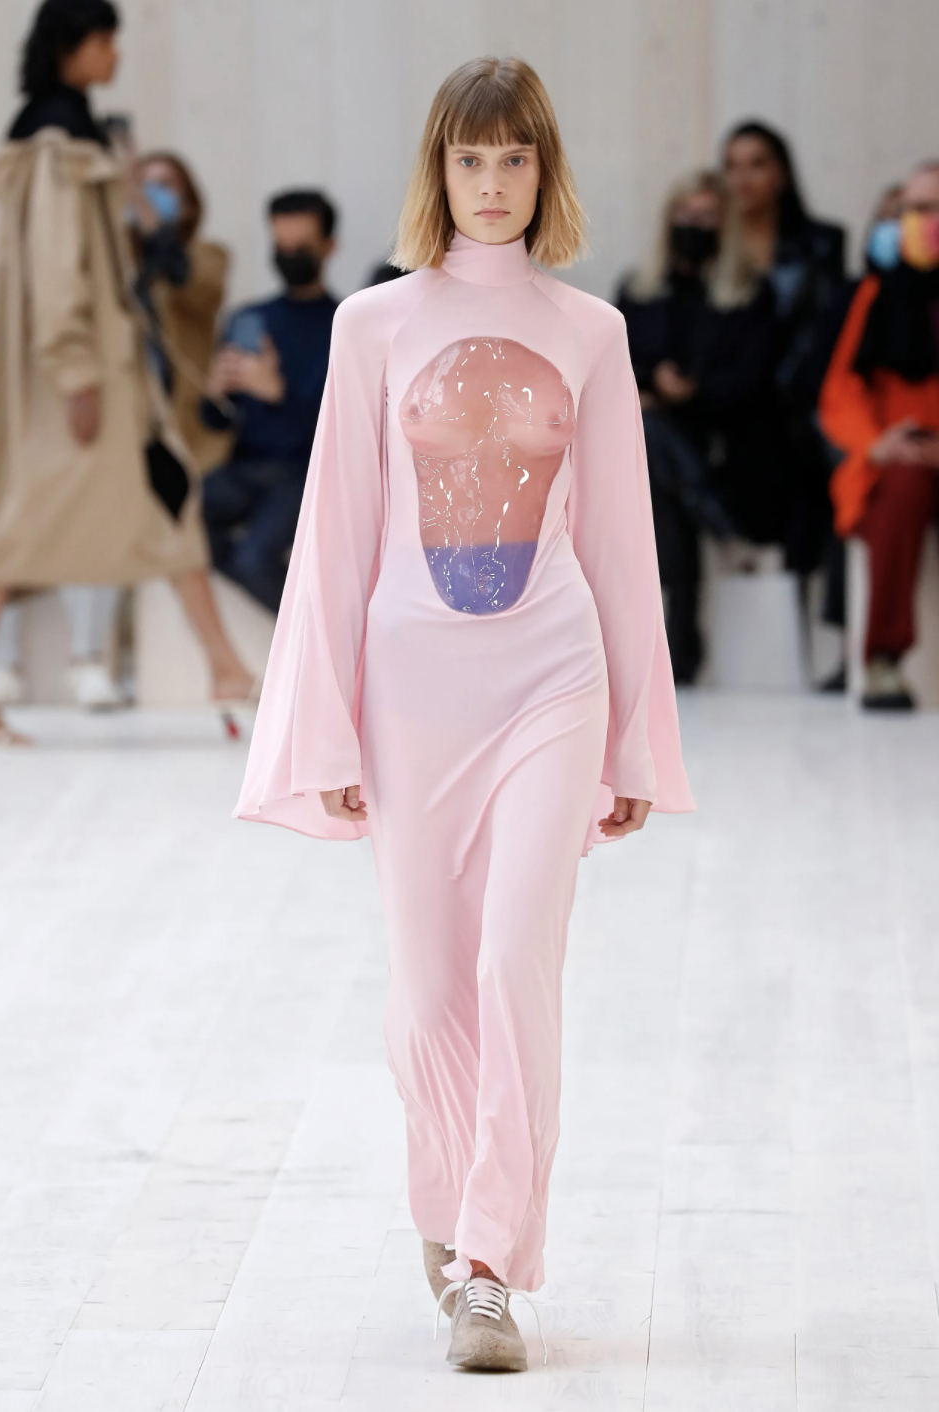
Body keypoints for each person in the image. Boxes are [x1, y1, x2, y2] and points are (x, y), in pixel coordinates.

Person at [233, 57, 693, 1371]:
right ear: (438, 171)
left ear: (546, 171)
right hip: (409, 693)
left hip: (553, 677)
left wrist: (633, 738)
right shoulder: (372, 325)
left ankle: (490, 1268)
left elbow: (620, 547)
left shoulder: (590, 331)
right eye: (469, 158)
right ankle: (445, 1210)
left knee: (512, 967)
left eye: (515, 158)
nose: (492, 183)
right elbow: (336, 536)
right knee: (430, 984)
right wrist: (324, 726)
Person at [0, 0, 254, 742]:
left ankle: (226, 667)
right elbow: (56, 268)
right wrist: (75, 370)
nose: (115, 55)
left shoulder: (66, 133)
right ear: (71, 47)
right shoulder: (57, 143)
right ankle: (226, 668)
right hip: (79, 381)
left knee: (167, 496)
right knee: (16, 534)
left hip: (105, 377)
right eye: (105, 41)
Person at [616, 170, 774, 682]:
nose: (693, 226)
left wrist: (690, 393)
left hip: (719, 437)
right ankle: (706, 513)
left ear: (725, 225)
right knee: (652, 446)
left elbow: (751, 379)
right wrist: (649, 383)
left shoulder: (750, 294)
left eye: (707, 217)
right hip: (648, 437)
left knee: (656, 460)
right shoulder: (637, 290)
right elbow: (612, 366)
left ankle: (677, 644)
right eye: (685, 215)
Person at [819, 161, 939, 710]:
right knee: (901, 489)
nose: (917, 221)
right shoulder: (876, 294)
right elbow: (841, 391)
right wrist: (878, 442)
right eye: (909, 210)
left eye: (930, 209)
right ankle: (885, 660)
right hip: (897, 452)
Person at [200, 190, 339, 612]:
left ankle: (315, 638)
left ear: (328, 246)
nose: (289, 255)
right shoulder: (249, 318)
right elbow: (214, 421)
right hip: (244, 468)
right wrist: (214, 394)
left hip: (303, 474)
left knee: (254, 559)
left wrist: (277, 393)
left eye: (301, 246)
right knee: (180, 527)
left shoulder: (344, 324)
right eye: (281, 245)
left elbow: (341, 430)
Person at [722, 120, 848, 571]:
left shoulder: (821, 243)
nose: (742, 179)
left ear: (781, 173)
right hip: (737, 402)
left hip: (800, 397)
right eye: (732, 166)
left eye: (756, 165)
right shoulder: (714, 247)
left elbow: (826, 332)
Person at [131, 150, 233, 475]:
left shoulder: (209, 256)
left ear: (188, 202)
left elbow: (194, 287)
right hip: (130, 420)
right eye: (143, 186)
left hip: (185, 424)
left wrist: (157, 232)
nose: (150, 194)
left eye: (164, 185)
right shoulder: (121, 265)